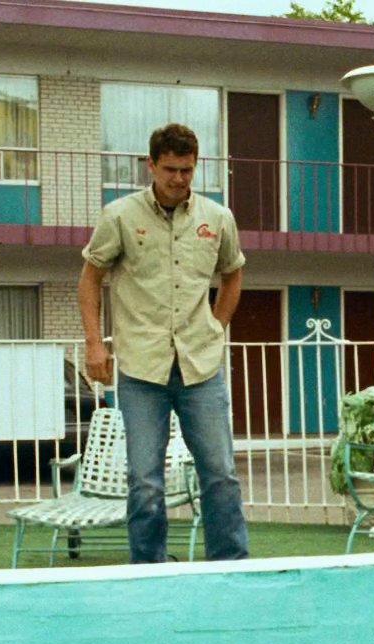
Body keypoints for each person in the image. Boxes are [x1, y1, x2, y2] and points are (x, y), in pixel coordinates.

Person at [80, 122, 249, 562]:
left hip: (200, 367)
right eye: (170, 169)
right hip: (141, 370)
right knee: (145, 481)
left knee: (220, 474)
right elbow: (90, 277)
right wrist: (95, 344)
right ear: (151, 165)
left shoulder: (218, 218)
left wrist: (216, 326)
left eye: (187, 170)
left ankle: (230, 568)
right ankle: (148, 570)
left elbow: (233, 274)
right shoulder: (119, 216)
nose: (178, 179)